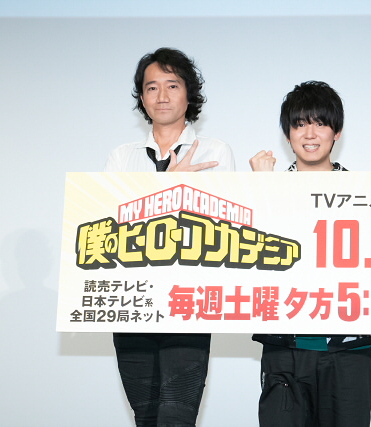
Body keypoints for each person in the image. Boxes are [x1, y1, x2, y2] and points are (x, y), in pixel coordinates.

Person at [105, 47, 235, 427]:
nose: (161, 95)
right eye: (152, 87)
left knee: (177, 416)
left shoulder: (215, 152)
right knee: (145, 418)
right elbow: (109, 224)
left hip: (187, 303)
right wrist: (169, 186)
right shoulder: (122, 157)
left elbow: (223, 227)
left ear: (189, 94)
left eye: (172, 85)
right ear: (142, 97)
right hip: (132, 303)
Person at [249, 81, 371, 427]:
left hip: (348, 348)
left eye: (320, 123)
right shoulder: (266, 189)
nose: (310, 133)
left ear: (337, 131)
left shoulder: (364, 195)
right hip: (285, 347)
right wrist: (262, 191)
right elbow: (249, 260)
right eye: (299, 124)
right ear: (287, 134)